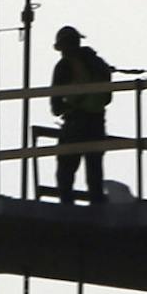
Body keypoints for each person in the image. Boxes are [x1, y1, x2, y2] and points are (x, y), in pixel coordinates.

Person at [49, 25, 116, 204]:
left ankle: (67, 208)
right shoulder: (99, 64)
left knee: (66, 169)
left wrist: (67, 107)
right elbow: (108, 97)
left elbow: (55, 106)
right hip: (97, 122)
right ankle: (98, 206)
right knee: (94, 169)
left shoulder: (64, 67)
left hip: (75, 124)